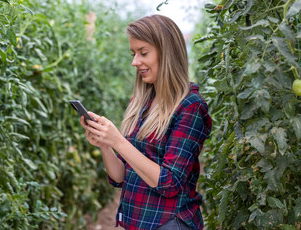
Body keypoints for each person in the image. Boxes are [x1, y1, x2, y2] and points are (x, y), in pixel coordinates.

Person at [80, 14, 212, 230]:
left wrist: (118, 140)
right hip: (136, 222)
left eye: (143, 53)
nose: (135, 62)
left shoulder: (190, 106)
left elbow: (169, 183)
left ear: (167, 53)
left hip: (168, 223)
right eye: (133, 53)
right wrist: (105, 144)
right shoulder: (143, 102)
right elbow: (121, 176)